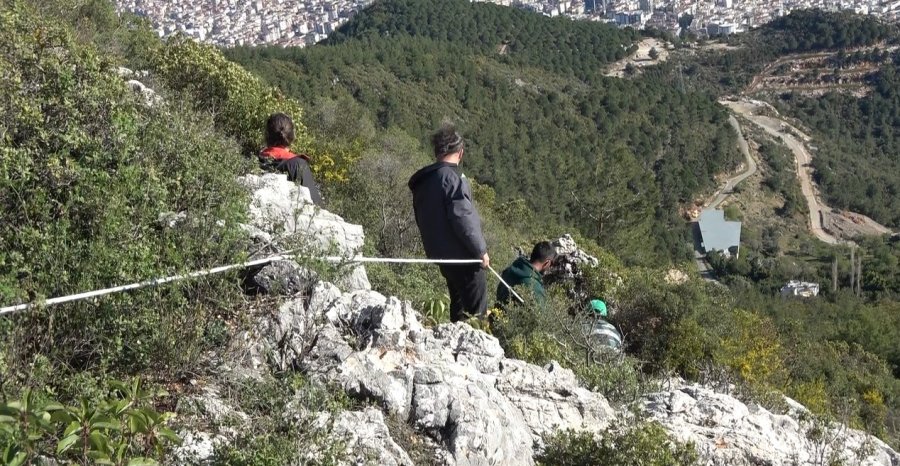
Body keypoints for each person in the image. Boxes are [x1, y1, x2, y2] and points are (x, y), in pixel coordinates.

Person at [408, 124, 489, 322]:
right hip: (465, 258)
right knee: (475, 313)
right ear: (460, 152)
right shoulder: (452, 179)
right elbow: (463, 217)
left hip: (442, 257)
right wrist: (480, 251)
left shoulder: (425, 181)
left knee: (458, 304)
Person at [259, 113, 323, 205]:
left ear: (267, 135)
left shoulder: (256, 161)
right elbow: (315, 204)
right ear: (291, 136)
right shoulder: (298, 165)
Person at [496, 241, 557, 307]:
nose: (551, 267)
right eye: (552, 263)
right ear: (547, 262)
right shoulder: (534, 287)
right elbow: (540, 312)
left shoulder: (510, 270)